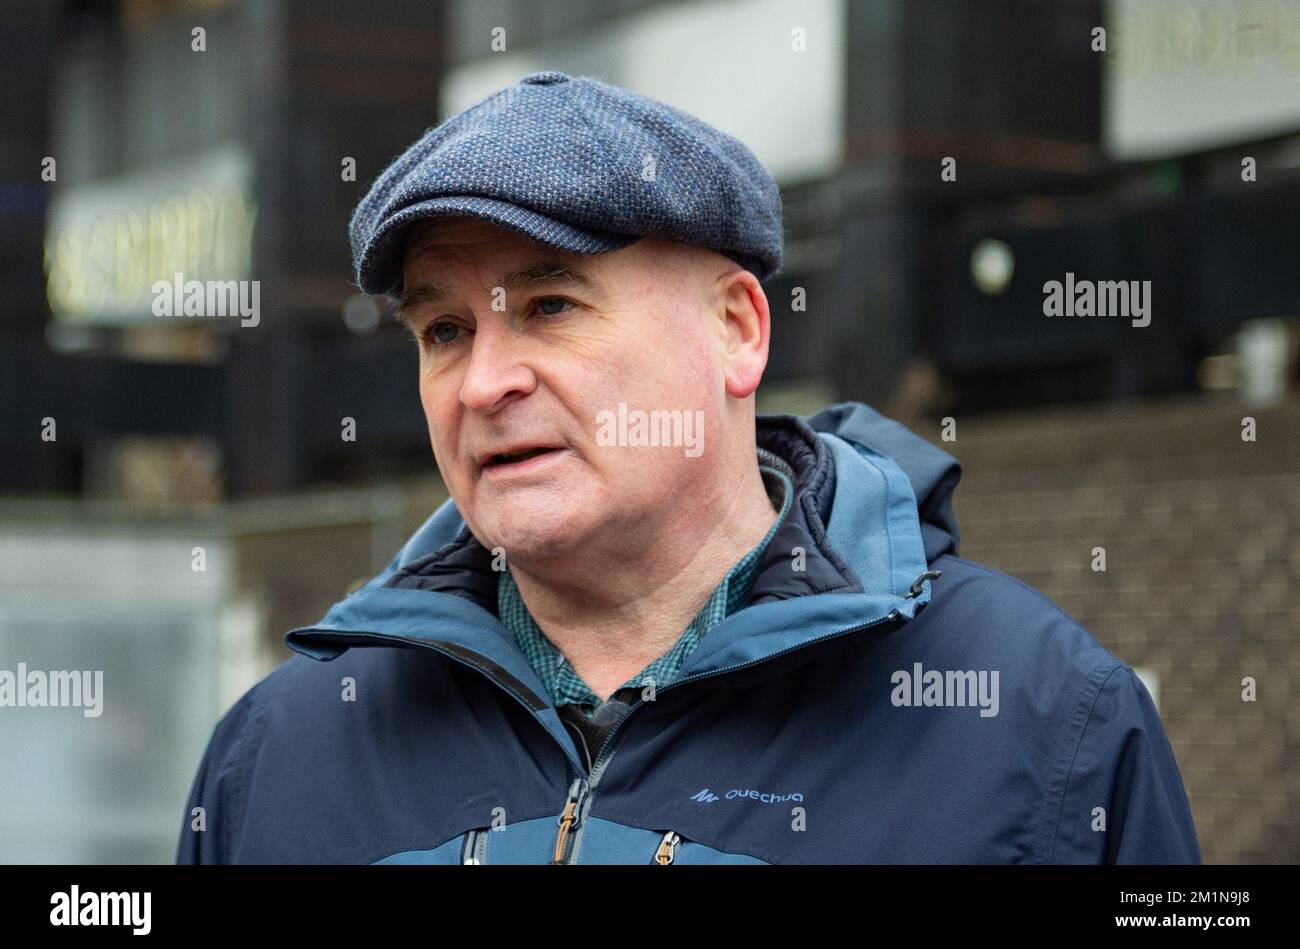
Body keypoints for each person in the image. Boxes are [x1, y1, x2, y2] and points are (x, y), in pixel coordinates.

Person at [176, 71, 1200, 864]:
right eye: (444, 328)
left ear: (736, 329)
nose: (484, 381)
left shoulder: (1042, 720)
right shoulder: (276, 754)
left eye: (550, 307)